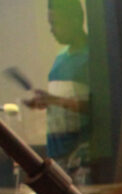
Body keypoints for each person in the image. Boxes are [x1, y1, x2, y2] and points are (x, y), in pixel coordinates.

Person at [24, 0, 90, 173]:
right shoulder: (59, 59)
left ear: (75, 19)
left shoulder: (92, 57)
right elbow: (64, 101)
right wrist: (45, 100)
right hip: (57, 160)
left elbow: (97, 107)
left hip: (80, 161)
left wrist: (54, 100)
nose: (52, 29)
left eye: (55, 23)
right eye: (50, 23)